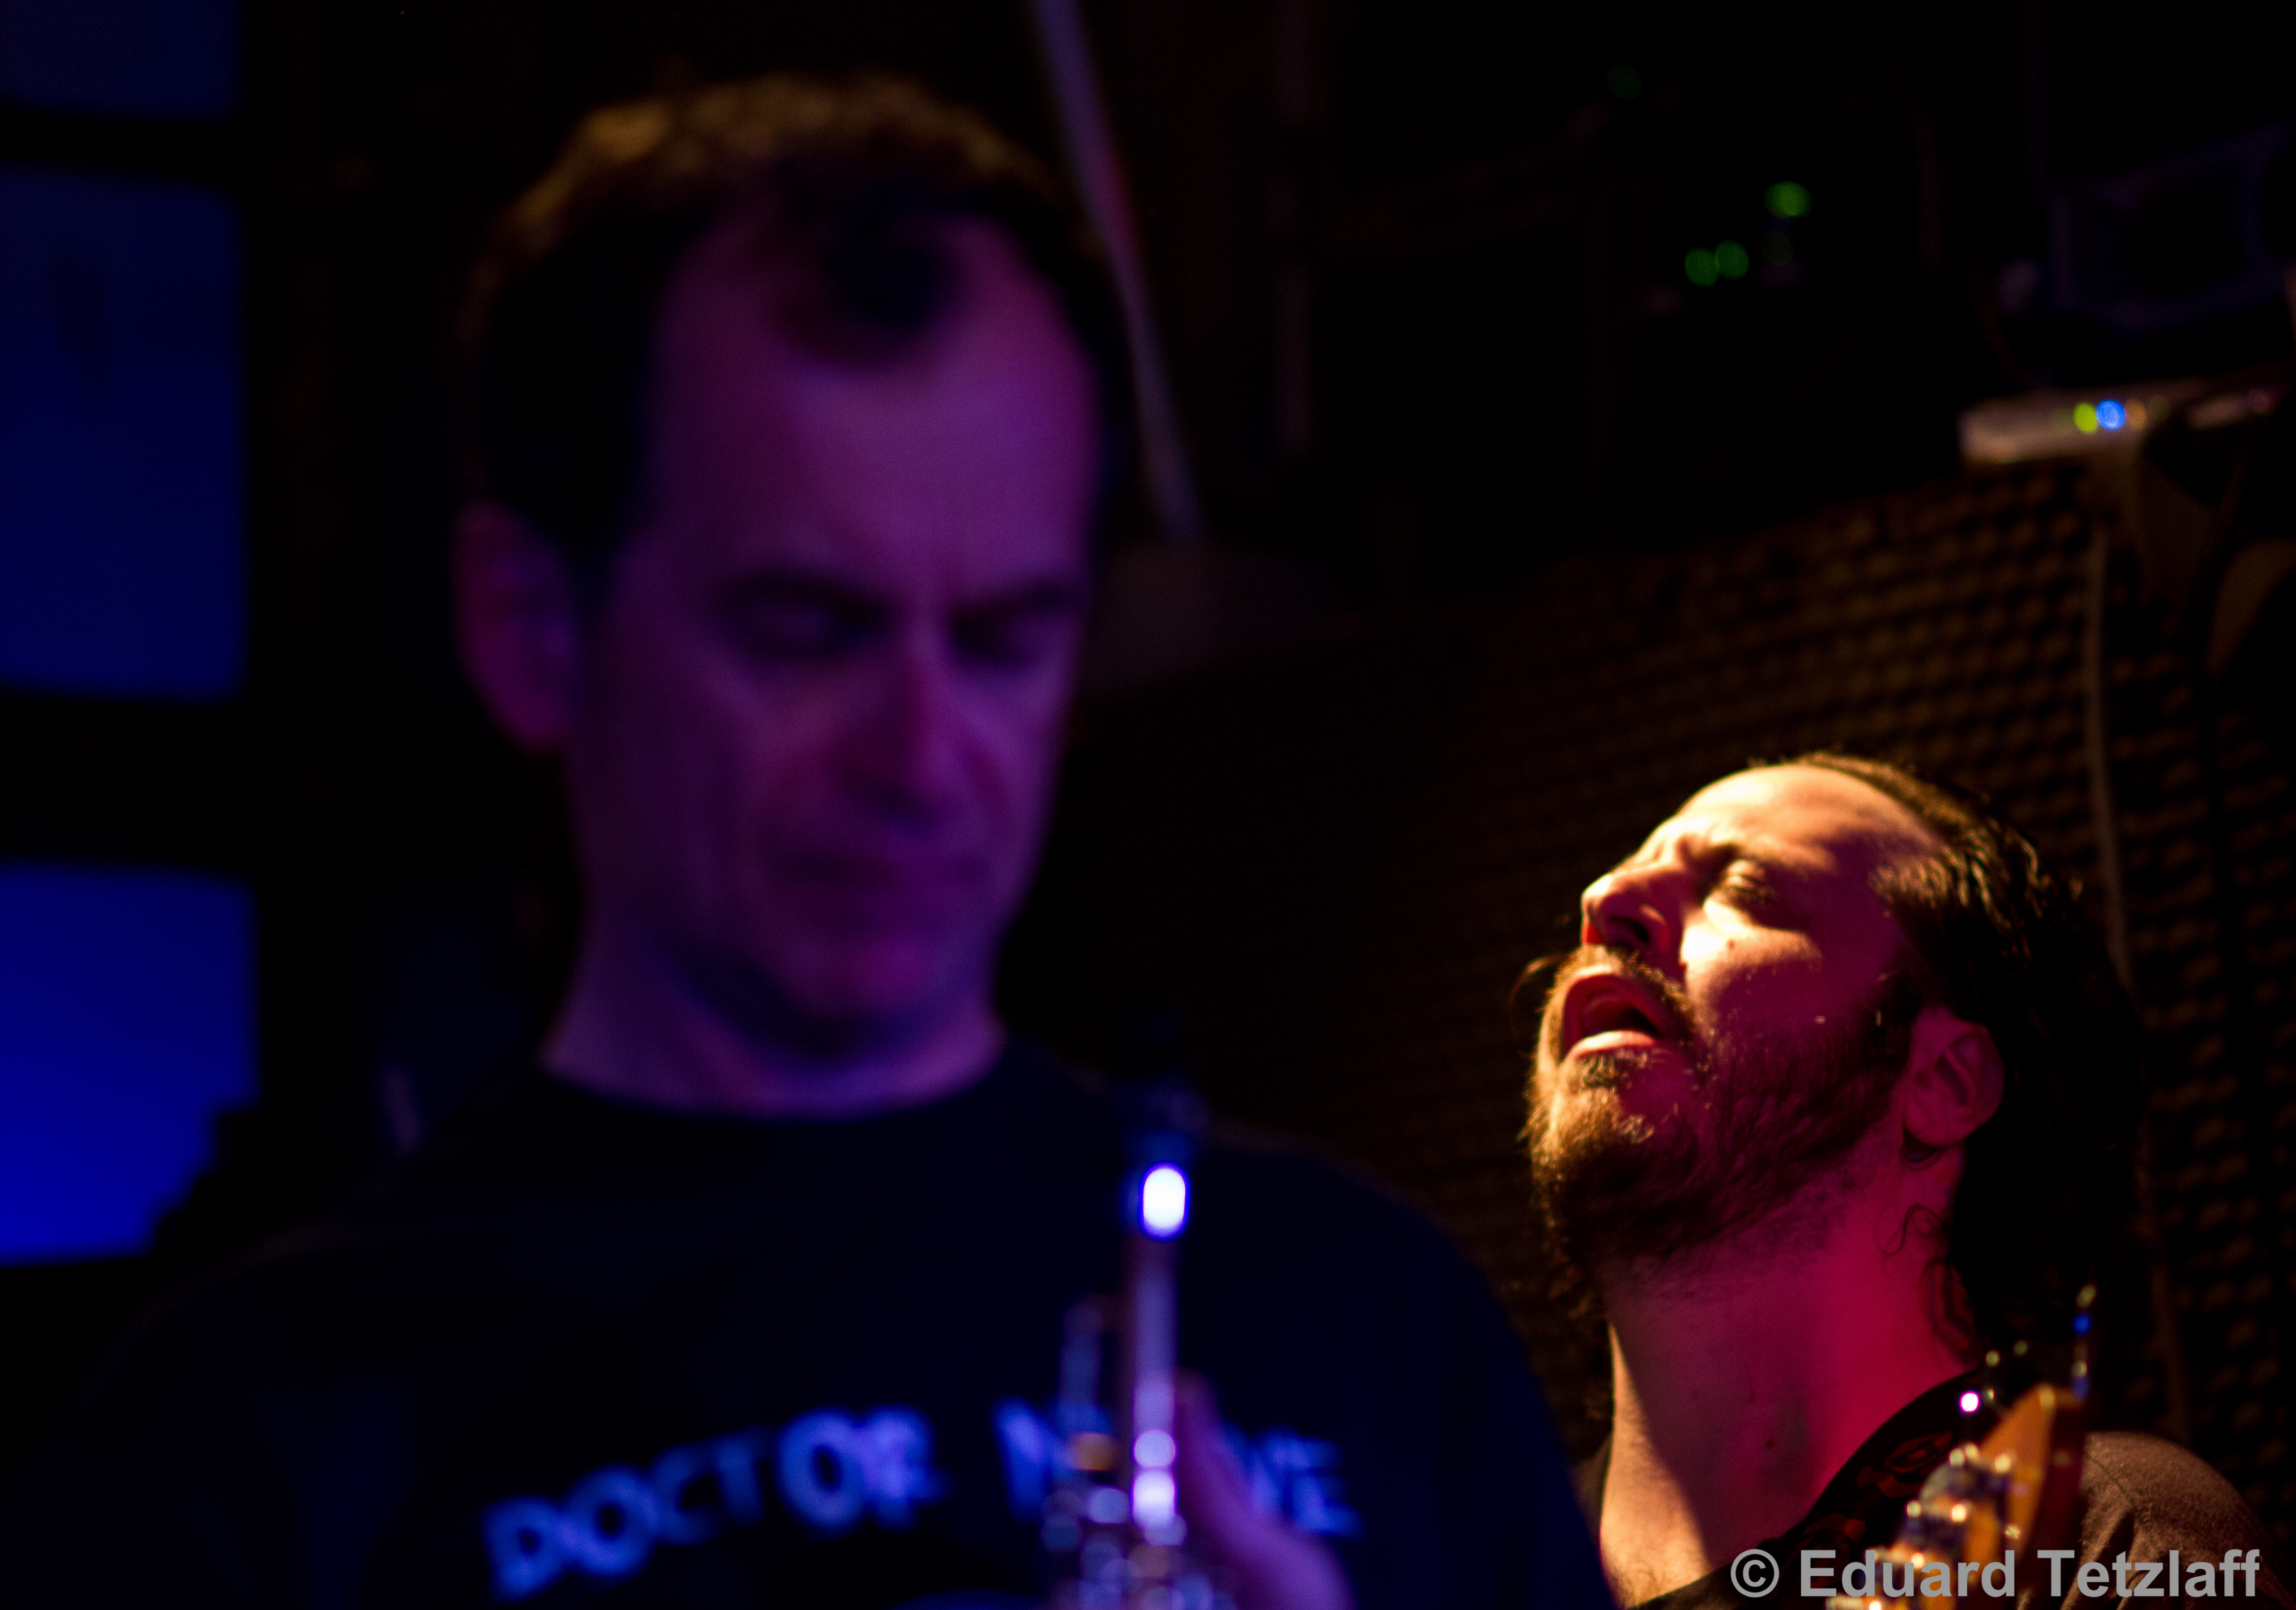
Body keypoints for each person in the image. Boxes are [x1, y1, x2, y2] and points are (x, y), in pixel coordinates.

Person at [0, 75, 1605, 1610]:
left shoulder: (1373, 1316)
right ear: (529, 622)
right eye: (805, 631)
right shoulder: (243, 1440)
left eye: (1005, 638)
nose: (924, 757)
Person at [1522, 752, 2289, 1610]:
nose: (1602, 900)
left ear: (1942, 1081)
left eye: (1743, 886)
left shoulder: (2100, 1548)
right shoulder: (1470, 1565)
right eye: (1621, 876)